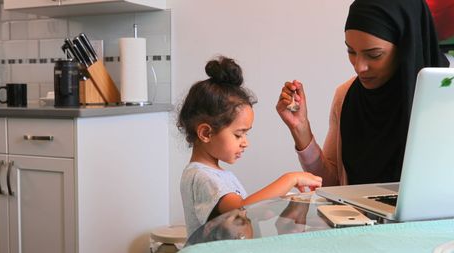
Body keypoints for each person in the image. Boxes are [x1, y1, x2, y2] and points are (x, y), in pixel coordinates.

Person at [276, 0, 449, 186]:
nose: (359, 67)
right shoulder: (346, 96)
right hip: (356, 215)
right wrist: (301, 130)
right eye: (351, 51)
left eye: (374, 55)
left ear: (406, 46)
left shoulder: (445, 96)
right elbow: (333, 185)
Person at [178, 56, 322, 237]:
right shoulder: (201, 177)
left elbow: (250, 213)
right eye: (239, 134)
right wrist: (290, 179)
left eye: (246, 134)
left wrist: (276, 203)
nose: (245, 142)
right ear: (206, 133)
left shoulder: (216, 174)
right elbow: (241, 209)